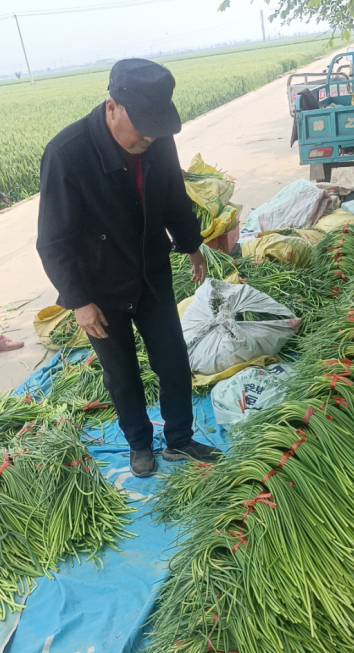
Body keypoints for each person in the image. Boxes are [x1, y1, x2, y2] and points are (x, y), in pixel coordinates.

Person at [37, 59, 219, 477]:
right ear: (112, 106)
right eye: (142, 126)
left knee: (173, 360)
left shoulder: (156, 139)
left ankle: (179, 440)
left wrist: (192, 246)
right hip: (99, 288)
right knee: (121, 374)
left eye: (157, 126)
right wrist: (80, 301)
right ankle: (139, 444)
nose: (149, 136)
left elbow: (174, 196)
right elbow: (53, 240)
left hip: (150, 269)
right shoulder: (68, 153)